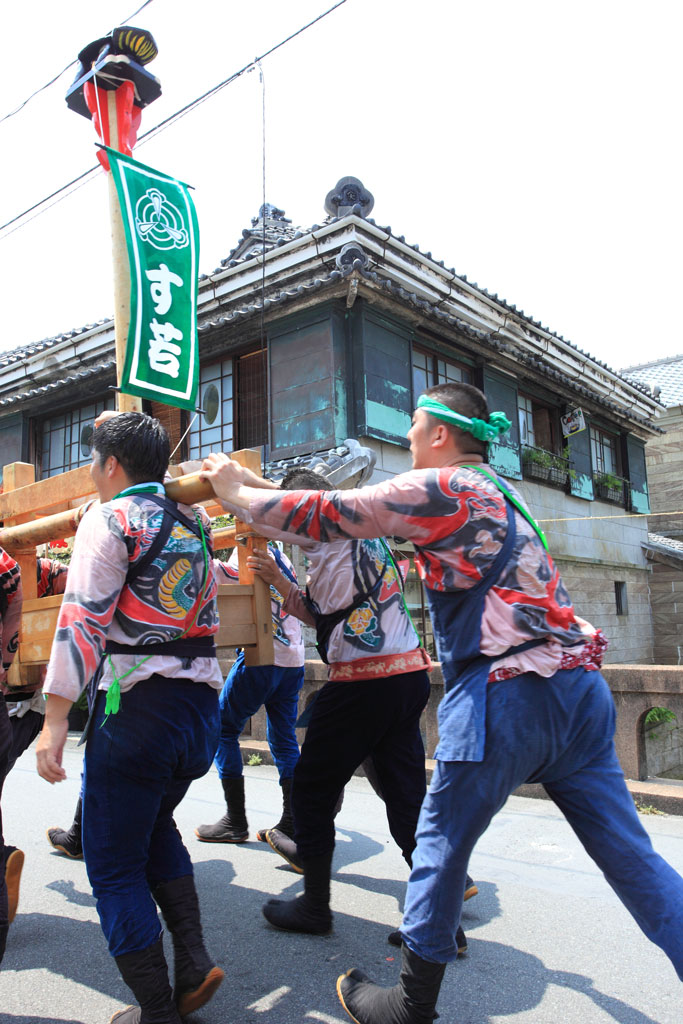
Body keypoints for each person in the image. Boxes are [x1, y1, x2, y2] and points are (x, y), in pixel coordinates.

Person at [200, 382, 683, 1024]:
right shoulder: (503, 493)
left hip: (507, 693)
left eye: (414, 425)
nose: (405, 438)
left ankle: (410, 1002)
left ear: (439, 433)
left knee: (439, 838)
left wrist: (236, 489)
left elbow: (328, 510)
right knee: (632, 858)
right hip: (579, 687)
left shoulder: (448, 488)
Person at [36, 412, 224, 1024]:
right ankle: (193, 964)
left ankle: (155, 1010)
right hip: (199, 713)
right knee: (154, 827)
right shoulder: (194, 522)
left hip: (139, 712)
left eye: (93, 460)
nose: (91, 472)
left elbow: (83, 619)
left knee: (112, 866)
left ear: (111, 465)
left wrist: (54, 717)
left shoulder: (111, 518)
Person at [213, 466, 433, 939]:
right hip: (406, 676)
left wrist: (218, 476)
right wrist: (277, 579)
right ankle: (440, 915)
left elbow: (248, 506)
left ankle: (315, 906)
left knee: (312, 787)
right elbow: (324, 617)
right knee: (405, 794)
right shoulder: (363, 529)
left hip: (363, 681)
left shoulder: (320, 521)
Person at [195, 542, 305, 845]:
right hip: (293, 660)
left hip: (264, 656)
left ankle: (235, 819)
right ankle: (292, 822)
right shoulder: (282, 552)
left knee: (223, 729)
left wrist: (196, 551)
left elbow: (221, 575)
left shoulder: (250, 544)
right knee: (284, 740)